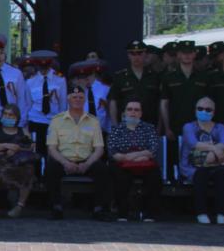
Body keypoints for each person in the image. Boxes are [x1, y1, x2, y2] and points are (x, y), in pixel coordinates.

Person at [45, 85, 111, 221]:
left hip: (86, 161)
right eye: (74, 97)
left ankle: (99, 209)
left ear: (85, 99)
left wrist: (87, 164)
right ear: (68, 99)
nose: (77, 100)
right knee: (51, 168)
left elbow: (99, 149)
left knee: (103, 170)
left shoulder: (93, 121)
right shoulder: (57, 121)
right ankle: (56, 207)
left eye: (81, 97)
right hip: (64, 161)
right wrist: (65, 162)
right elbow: (52, 148)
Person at [180, 96, 224, 225]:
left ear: (214, 112)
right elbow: (193, 143)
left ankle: (221, 213)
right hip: (193, 166)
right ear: (195, 110)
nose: (204, 111)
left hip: (216, 164)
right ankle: (201, 212)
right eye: (200, 108)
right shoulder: (189, 127)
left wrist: (212, 155)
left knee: (222, 174)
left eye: (208, 109)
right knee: (201, 174)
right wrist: (214, 149)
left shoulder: (221, 127)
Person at [108, 98, 161, 222]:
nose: (133, 112)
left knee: (155, 176)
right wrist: (134, 157)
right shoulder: (116, 129)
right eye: (130, 109)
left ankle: (149, 213)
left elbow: (153, 149)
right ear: (124, 112)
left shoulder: (149, 128)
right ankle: (123, 213)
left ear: (141, 113)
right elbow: (112, 151)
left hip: (144, 163)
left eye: (137, 110)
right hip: (122, 163)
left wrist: (135, 156)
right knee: (120, 176)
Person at [0, 102, 36, 218]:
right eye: (5, 114)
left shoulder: (23, 131)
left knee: (29, 170)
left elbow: (30, 146)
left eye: (11, 115)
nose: (8, 117)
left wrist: (16, 149)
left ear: (17, 118)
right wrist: (6, 145)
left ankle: (19, 207)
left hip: (18, 162)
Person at [161, 40, 210, 166]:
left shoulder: (204, 76)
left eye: (190, 52)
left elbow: (209, 104)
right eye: (183, 53)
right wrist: (167, 127)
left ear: (195, 54)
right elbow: (164, 104)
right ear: (178, 55)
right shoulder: (169, 77)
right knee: (174, 158)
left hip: (198, 126)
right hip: (176, 124)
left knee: (197, 159)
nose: (187, 56)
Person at [23, 50, 66, 159]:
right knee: (36, 151)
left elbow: (62, 104)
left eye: (46, 67)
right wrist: (25, 123)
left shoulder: (60, 81)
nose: (44, 70)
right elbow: (28, 104)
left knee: (52, 152)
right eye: (41, 68)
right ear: (37, 66)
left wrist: (62, 123)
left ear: (50, 65)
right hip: (36, 120)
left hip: (53, 121)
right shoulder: (30, 82)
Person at [110, 40, 162, 128]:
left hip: (150, 124)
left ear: (145, 54)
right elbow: (113, 101)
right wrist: (115, 125)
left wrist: (160, 126)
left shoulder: (155, 76)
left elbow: (160, 103)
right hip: (126, 126)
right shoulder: (120, 77)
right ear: (128, 55)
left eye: (139, 53)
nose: (136, 57)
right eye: (133, 54)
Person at [69, 58, 111, 134]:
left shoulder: (105, 89)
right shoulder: (75, 93)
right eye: (81, 76)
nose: (85, 79)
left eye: (88, 75)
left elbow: (110, 113)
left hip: (101, 132)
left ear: (93, 73)